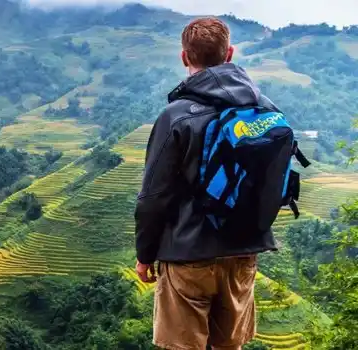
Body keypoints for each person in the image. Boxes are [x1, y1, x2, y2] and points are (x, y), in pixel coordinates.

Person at [134, 17, 282, 350]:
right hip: (243, 252)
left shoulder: (176, 116)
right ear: (229, 53)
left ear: (185, 57)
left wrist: (145, 255)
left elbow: (153, 197)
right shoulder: (262, 108)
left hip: (188, 254)